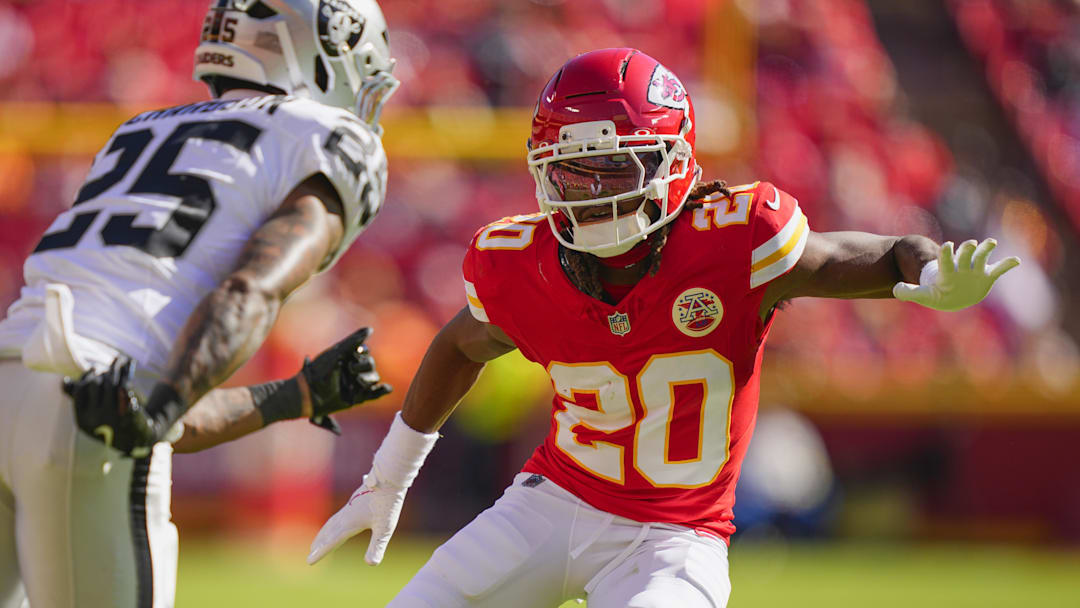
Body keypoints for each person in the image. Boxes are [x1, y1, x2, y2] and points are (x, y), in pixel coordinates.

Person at [307, 48, 1020, 607]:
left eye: (614, 166)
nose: (594, 191)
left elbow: (860, 255)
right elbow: (461, 343)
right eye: (574, 172)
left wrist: (925, 273)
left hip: (674, 535)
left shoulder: (733, 239)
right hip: (551, 504)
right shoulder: (520, 260)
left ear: (673, 160)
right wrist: (388, 476)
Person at [0, 1, 398, 606]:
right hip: (82, 395)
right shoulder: (323, 135)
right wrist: (152, 415)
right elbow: (248, 290)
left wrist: (293, 396)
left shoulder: (138, 130)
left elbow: (139, 405)